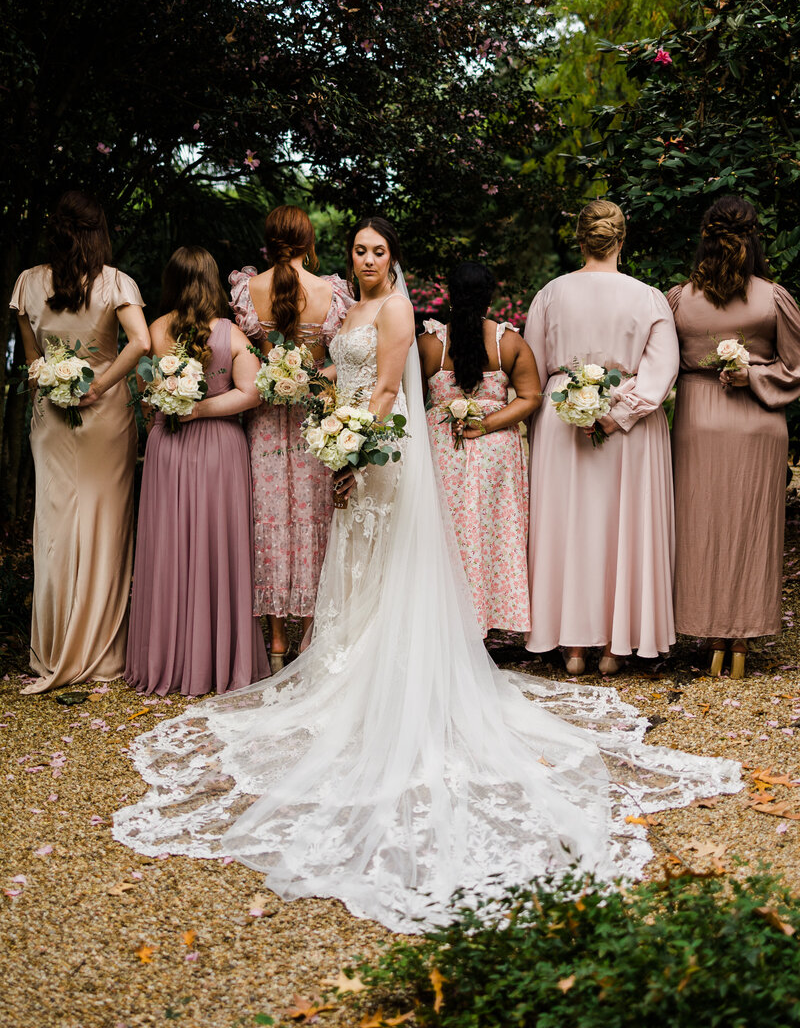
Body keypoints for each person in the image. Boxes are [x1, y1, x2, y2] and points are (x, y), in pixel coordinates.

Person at [112, 217, 738, 936]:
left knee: (383, 556)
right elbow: (337, 371)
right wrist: (323, 412)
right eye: (359, 250)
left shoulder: (401, 310)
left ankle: (392, 674)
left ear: (393, 260)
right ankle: (348, 664)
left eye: (378, 251)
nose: (368, 259)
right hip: (344, 438)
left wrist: (351, 448)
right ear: (346, 256)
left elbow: (384, 389)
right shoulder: (348, 306)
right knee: (352, 562)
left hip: (377, 450)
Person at [524, 200, 679, 675]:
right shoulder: (648, 297)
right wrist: (619, 413)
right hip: (628, 428)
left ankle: (570, 646)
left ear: (579, 237)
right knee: (622, 524)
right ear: (622, 239)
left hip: (562, 420)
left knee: (567, 525)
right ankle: (616, 645)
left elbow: (533, 362)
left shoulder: (551, 294)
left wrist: (573, 404)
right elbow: (661, 369)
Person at [10, 190, 149, 693]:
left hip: (50, 416)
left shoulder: (27, 283)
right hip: (105, 414)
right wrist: (98, 385)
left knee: (55, 524)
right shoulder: (116, 283)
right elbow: (141, 343)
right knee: (104, 523)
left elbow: (30, 362)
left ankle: (51, 650)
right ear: (99, 233)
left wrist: (53, 385)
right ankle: (99, 651)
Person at [125, 246, 269, 697]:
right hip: (220, 449)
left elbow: (145, 391)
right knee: (216, 546)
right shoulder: (232, 334)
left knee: (169, 546)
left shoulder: (156, 330)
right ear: (211, 284)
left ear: (171, 282)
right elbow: (252, 393)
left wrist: (182, 406)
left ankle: (167, 658)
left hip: (168, 445)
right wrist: (206, 408)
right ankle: (218, 659)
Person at [668, 196, 800, 678]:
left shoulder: (680, 300)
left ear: (705, 237)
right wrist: (758, 374)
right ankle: (740, 640)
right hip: (758, 423)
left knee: (699, 525)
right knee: (751, 527)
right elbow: (796, 367)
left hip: (698, 422)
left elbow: (660, 368)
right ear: (755, 237)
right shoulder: (773, 296)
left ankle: (708, 634)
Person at [229, 206, 353, 668]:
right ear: (308, 240)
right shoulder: (331, 293)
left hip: (263, 424)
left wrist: (274, 370)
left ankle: (276, 644)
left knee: (271, 522)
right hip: (313, 424)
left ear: (269, 241)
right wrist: (314, 375)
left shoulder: (246, 290)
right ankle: (307, 640)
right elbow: (343, 360)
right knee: (312, 523)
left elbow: (246, 358)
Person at [419, 261, 540, 638]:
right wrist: (487, 424)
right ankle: (486, 621)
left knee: (445, 533)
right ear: (490, 298)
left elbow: (411, 399)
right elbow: (530, 396)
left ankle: (444, 621)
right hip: (495, 454)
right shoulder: (510, 343)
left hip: (442, 449)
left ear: (450, 297)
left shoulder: (429, 345)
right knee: (491, 535)